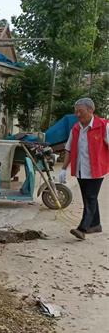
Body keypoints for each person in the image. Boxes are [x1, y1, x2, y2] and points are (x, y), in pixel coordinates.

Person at [59, 98, 109, 240]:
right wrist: (63, 169)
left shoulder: (103, 126)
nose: (77, 114)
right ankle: (95, 224)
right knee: (88, 198)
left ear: (91, 111)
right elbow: (68, 149)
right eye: (76, 111)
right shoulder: (76, 128)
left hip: (96, 170)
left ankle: (82, 228)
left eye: (80, 111)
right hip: (81, 170)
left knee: (91, 197)